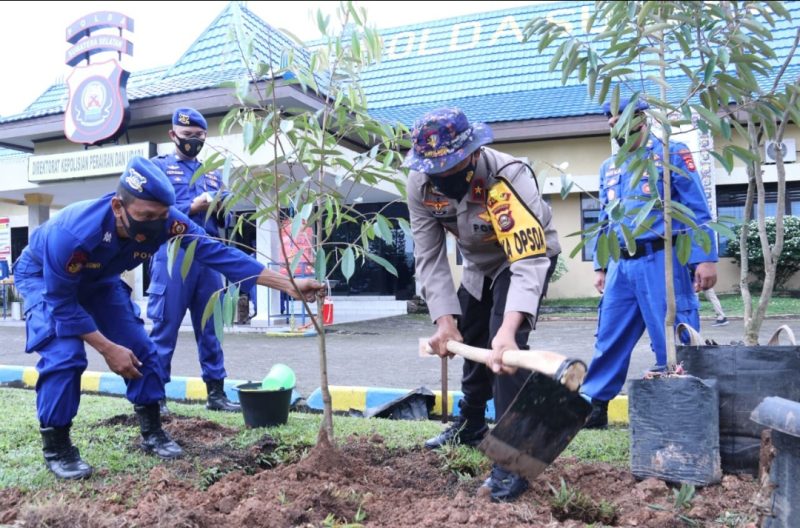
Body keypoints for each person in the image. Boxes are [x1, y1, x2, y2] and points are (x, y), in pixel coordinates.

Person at [14, 156, 323, 480]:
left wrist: (288, 284)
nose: (154, 225)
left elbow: (218, 253)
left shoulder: (166, 221)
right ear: (118, 207)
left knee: (142, 350)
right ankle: (58, 448)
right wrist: (107, 348)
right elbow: (63, 305)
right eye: (146, 216)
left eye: (160, 216)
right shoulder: (74, 233)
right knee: (65, 355)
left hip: (100, 281)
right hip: (43, 278)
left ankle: (152, 431)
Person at [405, 107, 561, 502]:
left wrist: (508, 331)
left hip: (524, 259)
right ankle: (471, 424)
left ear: (473, 152)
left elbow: (527, 260)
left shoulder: (509, 176)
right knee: (470, 331)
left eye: (451, 167)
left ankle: (513, 460)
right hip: (479, 264)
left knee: (505, 352)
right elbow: (429, 257)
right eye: (435, 170)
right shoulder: (420, 184)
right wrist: (444, 322)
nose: (442, 177)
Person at [582, 98, 718, 429]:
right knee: (609, 336)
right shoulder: (609, 167)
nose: (613, 124)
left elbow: (696, 208)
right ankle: (595, 406)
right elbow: (605, 219)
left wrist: (705, 257)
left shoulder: (671, 153)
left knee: (671, 334)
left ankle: (681, 401)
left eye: (620, 117)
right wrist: (601, 265)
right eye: (610, 119)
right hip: (621, 266)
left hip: (661, 260)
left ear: (641, 118)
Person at [148, 108, 240, 413]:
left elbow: (227, 219)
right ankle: (155, 397)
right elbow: (153, 211)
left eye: (200, 136)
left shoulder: (213, 174)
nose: (194, 141)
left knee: (211, 327)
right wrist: (193, 206)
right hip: (173, 254)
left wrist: (222, 207)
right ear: (173, 135)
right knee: (165, 328)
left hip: (208, 256)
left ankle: (216, 394)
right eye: (188, 135)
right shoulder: (159, 168)